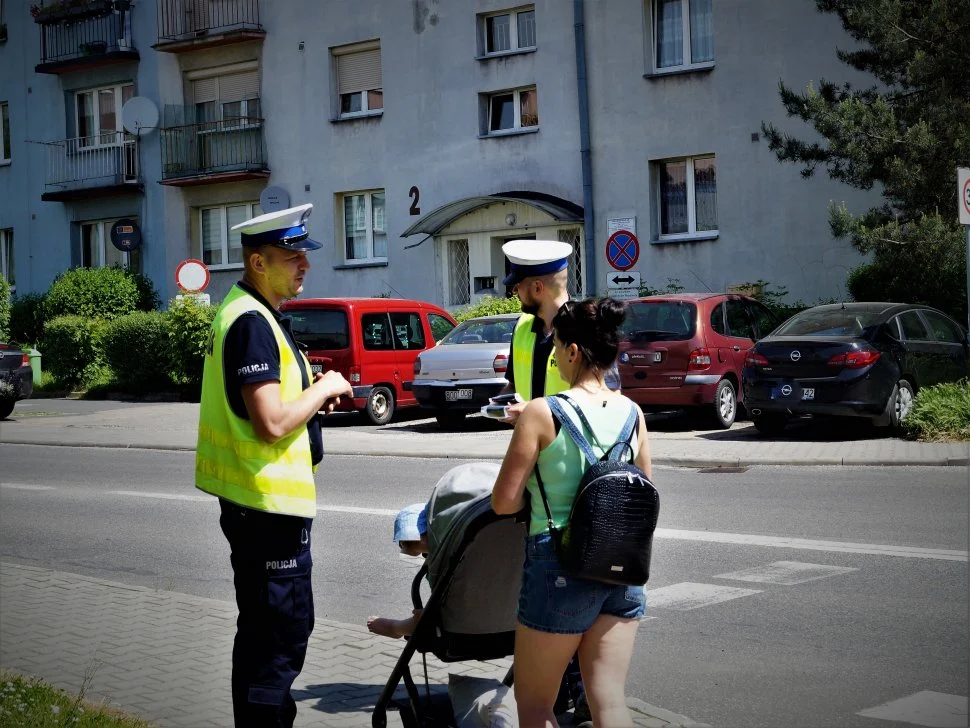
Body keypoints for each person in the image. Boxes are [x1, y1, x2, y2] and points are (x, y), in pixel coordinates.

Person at [195, 203, 353, 728]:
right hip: (266, 509)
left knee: (263, 639)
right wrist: (327, 387)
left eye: (304, 256)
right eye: (292, 257)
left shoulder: (247, 311)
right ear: (258, 262)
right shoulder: (251, 322)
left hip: (255, 504)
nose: (304, 266)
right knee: (277, 645)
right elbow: (269, 421)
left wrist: (309, 396)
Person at [491, 297, 652, 728]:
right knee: (610, 701)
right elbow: (642, 491)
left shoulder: (543, 413)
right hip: (620, 569)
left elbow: (503, 502)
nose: (556, 356)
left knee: (538, 708)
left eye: (558, 346)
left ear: (574, 351)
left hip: (557, 564)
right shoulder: (633, 414)